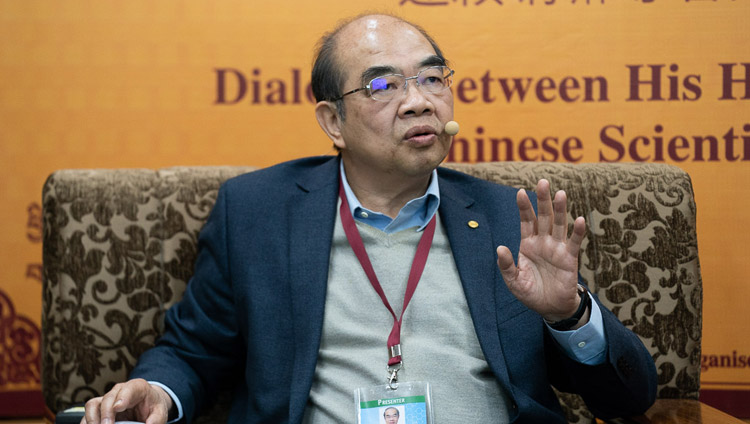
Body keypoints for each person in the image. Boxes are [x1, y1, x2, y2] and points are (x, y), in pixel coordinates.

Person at [81, 13, 657, 424]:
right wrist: (156, 391)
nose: (419, 100)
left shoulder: (516, 220)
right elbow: (193, 351)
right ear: (333, 122)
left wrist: (570, 315)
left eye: (433, 78)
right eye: (384, 84)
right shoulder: (256, 212)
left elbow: (630, 401)